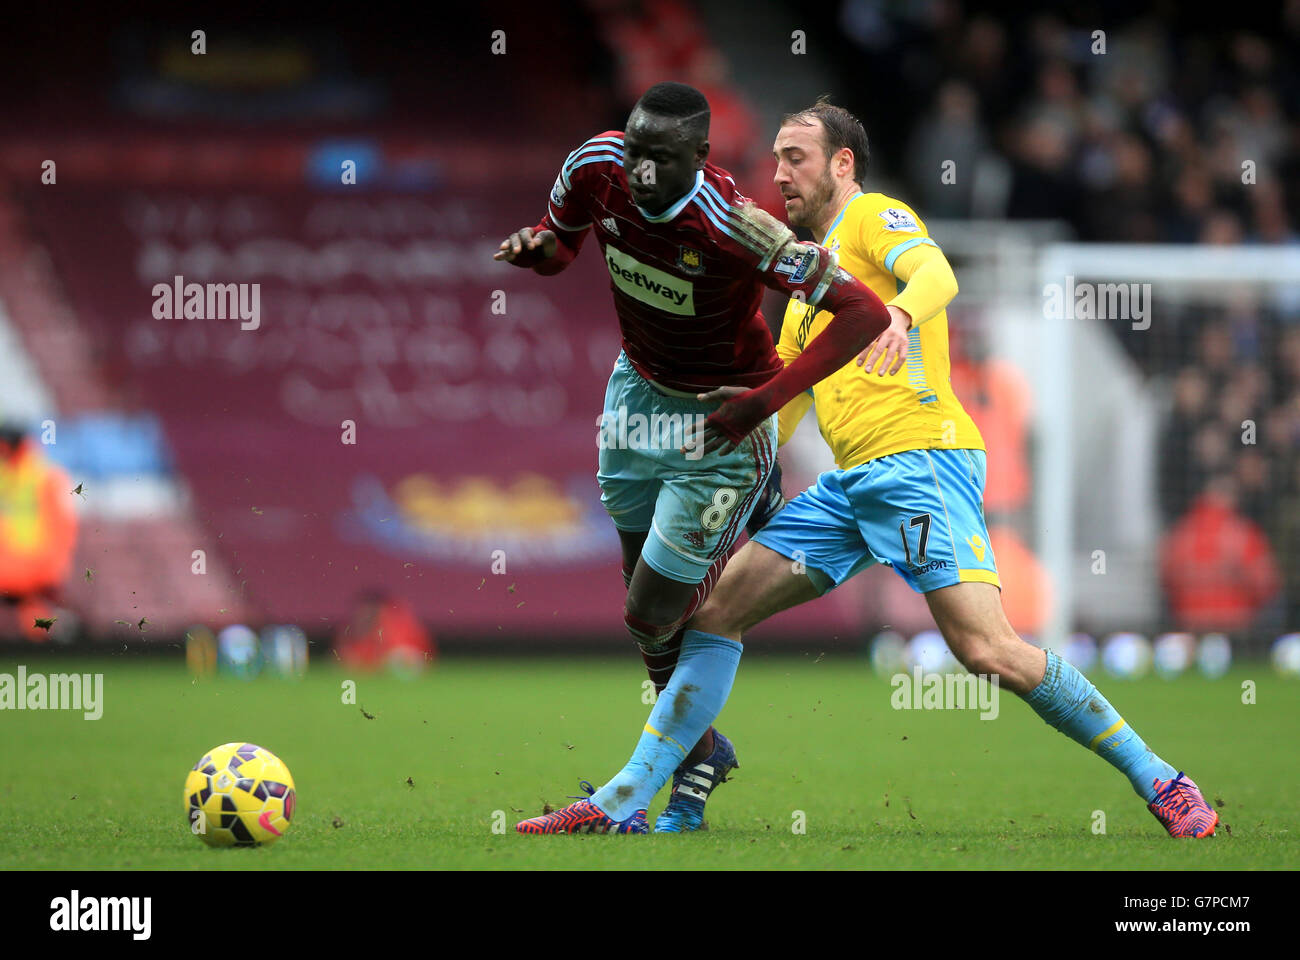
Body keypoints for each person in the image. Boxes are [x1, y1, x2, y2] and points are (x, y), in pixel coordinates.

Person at [519, 98, 1218, 839]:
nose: (780, 174)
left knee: (987, 651)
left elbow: (936, 273)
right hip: (851, 488)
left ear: (842, 164)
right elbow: (783, 404)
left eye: (798, 158)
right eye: (777, 158)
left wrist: (903, 316)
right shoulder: (803, 296)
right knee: (716, 611)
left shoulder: (873, 218)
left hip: (919, 462)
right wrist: (734, 430)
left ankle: (1164, 781)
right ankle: (636, 801)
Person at [496, 82, 894, 832]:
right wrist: (535, 249)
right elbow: (560, 242)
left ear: (700, 157)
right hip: (635, 400)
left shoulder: (738, 229)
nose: (642, 173)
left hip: (723, 422)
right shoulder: (594, 165)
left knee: (653, 607)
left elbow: (864, 313)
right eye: (637, 153)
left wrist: (763, 405)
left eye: (663, 160)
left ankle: (638, 789)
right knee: (644, 619)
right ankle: (698, 757)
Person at [0, 421, 78, 642]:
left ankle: (55, 635)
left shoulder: (46, 476)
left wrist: (57, 565)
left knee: (32, 609)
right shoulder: (9, 474)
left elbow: (64, 525)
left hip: (32, 563)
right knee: (31, 610)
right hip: (12, 563)